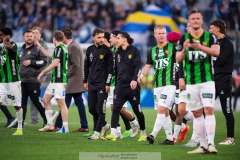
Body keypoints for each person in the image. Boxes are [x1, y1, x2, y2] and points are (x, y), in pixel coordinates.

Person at [176, 9, 220, 154]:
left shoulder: (210, 37)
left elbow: (216, 52)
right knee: (197, 114)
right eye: (193, 18)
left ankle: (211, 144)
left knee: (208, 110)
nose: (195, 21)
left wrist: (199, 47)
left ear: (202, 21)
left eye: (198, 18)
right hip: (191, 83)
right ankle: (202, 146)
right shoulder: (184, 39)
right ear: (189, 21)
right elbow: (177, 59)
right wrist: (184, 49)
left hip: (207, 81)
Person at [138, 25, 176, 145]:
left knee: (162, 108)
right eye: (159, 33)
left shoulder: (173, 48)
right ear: (155, 35)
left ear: (165, 34)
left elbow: (181, 62)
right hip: (158, 85)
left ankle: (153, 134)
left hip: (170, 84)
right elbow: (148, 66)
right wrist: (141, 76)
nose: (161, 35)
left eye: (163, 33)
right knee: (164, 112)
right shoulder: (152, 51)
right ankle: (170, 138)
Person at [105, 31, 147, 142]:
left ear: (124, 39)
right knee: (115, 108)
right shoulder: (116, 53)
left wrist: (134, 79)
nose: (116, 40)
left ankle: (143, 132)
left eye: (118, 38)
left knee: (137, 111)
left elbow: (138, 66)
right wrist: (108, 83)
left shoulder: (134, 50)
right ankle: (113, 134)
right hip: (120, 86)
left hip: (132, 87)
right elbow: (113, 70)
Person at [54, 28, 89, 132]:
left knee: (65, 102)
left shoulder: (73, 47)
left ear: (64, 36)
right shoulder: (74, 45)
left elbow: (75, 65)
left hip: (73, 80)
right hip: (77, 80)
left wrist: (66, 75)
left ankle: (58, 125)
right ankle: (84, 126)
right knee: (79, 103)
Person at [35, 30, 69, 133]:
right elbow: (51, 56)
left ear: (54, 39)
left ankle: (65, 128)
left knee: (61, 104)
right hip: (55, 80)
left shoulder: (59, 48)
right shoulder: (62, 48)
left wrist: (42, 72)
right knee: (45, 100)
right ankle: (50, 124)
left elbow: (54, 63)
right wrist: (40, 47)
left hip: (59, 80)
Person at [84, 28, 113, 140]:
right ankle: (105, 125)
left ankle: (96, 133)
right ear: (93, 37)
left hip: (102, 84)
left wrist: (107, 83)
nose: (101, 40)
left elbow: (111, 69)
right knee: (91, 109)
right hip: (91, 83)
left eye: (102, 37)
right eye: (99, 37)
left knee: (100, 109)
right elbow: (86, 65)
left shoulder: (107, 51)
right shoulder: (89, 49)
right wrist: (85, 80)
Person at [209, 19, 235, 145]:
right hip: (213, 81)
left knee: (227, 110)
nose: (209, 30)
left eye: (211, 28)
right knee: (205, 108)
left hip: (224, 81)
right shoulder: (213, 43)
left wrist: (208, 59)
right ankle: (202, 137)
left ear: (217, 29)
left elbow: (221, 61)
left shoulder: (227, 44)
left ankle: (230, 138)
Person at [19, 29, 48, 127]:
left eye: (31, 36)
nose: (30, 38)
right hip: (23, 80)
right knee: (22, 103)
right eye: (27, 36)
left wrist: (31, 62)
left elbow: (44, 62)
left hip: (33, 80)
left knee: (36, 102)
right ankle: (20, 123)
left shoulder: (37, 49)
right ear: (24, 37)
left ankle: (46, 120)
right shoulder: (22, 49)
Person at [26, 26, 53, 125]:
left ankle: (35, 118)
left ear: (40, 35)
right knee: (34, 96)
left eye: (37, 33)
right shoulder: (31, 44)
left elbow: (45, 61)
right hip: (32, 74)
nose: (35, 35)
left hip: (40, 74)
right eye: (33, 33)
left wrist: (41, 73)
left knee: (34, 96)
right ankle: (37, 117)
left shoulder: (42, 45)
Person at [166, 31, 190, 143]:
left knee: (179, 110)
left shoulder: (182, 52)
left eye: (173, 42)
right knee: (168, 110)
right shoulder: (168, 51)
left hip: (180, 83)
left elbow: (184, 67)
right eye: (170, 42)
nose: (172, 44)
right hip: (170, 83)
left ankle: (174, 136)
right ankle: (183, 127)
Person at [0, 27, 23, 135]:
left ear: (7, 35)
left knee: (17, 105)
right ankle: (10, 118)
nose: (0, 37)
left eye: (1, 34)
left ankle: (19, 128)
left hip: (13, 80)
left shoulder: (13, 44)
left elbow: (8, 46)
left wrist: (6, 39)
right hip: (3, 81)